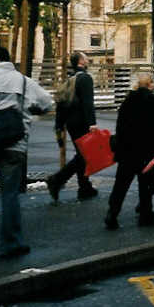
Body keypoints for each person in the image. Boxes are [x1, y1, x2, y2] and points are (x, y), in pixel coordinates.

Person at [0, 47, 54, 259]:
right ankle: (10, 244)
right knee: (10, 195)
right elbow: (46, 104)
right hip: (13, 146)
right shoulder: (24, 82)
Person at [105, 72, 154, 229]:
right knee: (145, 184)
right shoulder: (153, 101)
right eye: (153, 82)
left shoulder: (128, 100)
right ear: (149, 84)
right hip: (146, 151)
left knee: (121, 184)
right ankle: (146, 216)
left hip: (127, 150)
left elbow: (120, 125)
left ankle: (112, 214)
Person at [46, 52, 99, 201]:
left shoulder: (70, 79)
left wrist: (59, 125)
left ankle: (84, 187)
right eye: (86, 57)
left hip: (71, 123)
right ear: (81, 61)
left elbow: (62, 104)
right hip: (82, 122)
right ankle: (57, 180)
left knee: (83, 155)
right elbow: (88, 103)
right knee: (84, 155)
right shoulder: (85, 79)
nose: (88, 59)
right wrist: (92, 123)